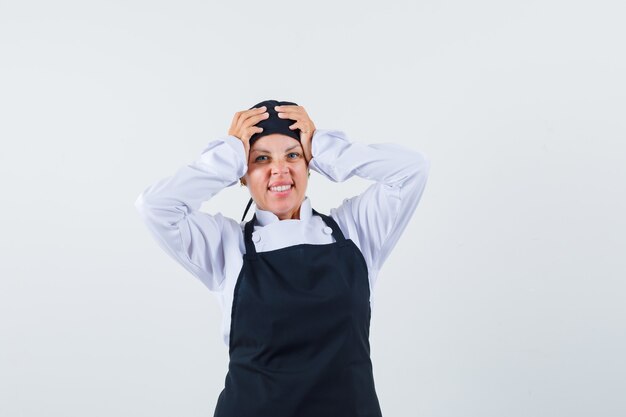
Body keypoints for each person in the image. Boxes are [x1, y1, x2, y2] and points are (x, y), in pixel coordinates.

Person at [134, 99, 431, 416]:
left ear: (309, 165)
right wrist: (229, 153)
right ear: (243, 174)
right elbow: (156, 207)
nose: (280, 169)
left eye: (293, 155)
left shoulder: (356, 231)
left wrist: (325, 147)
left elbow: (412, 170)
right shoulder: (225, 246)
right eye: (261, 158)